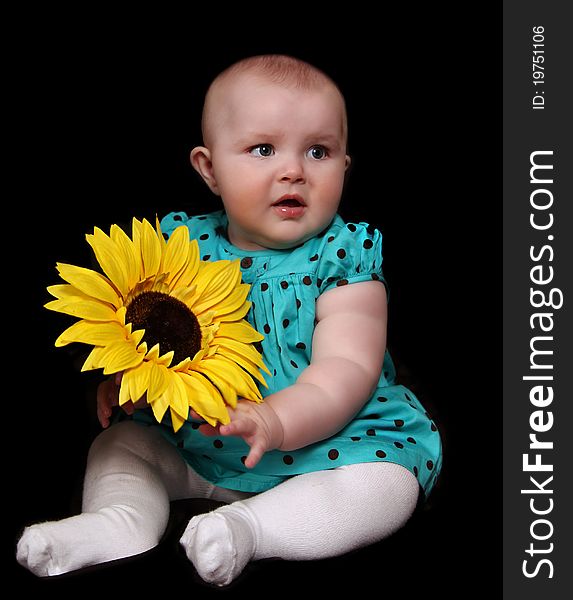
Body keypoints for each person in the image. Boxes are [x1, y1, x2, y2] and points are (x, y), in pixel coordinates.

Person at [16, 54, 442, 587]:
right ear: (210, 168)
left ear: (345, 168)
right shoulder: (180, 249)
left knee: (387, 486)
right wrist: (131, 377)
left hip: (327, 447)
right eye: (263, 149)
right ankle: (117, 522)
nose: (293, 169)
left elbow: (347, 368)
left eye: (319, 151)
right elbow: (158, 335)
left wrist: (276, 420)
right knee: (120, 445)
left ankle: (251, 529)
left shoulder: (344, 259)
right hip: (200, 443)